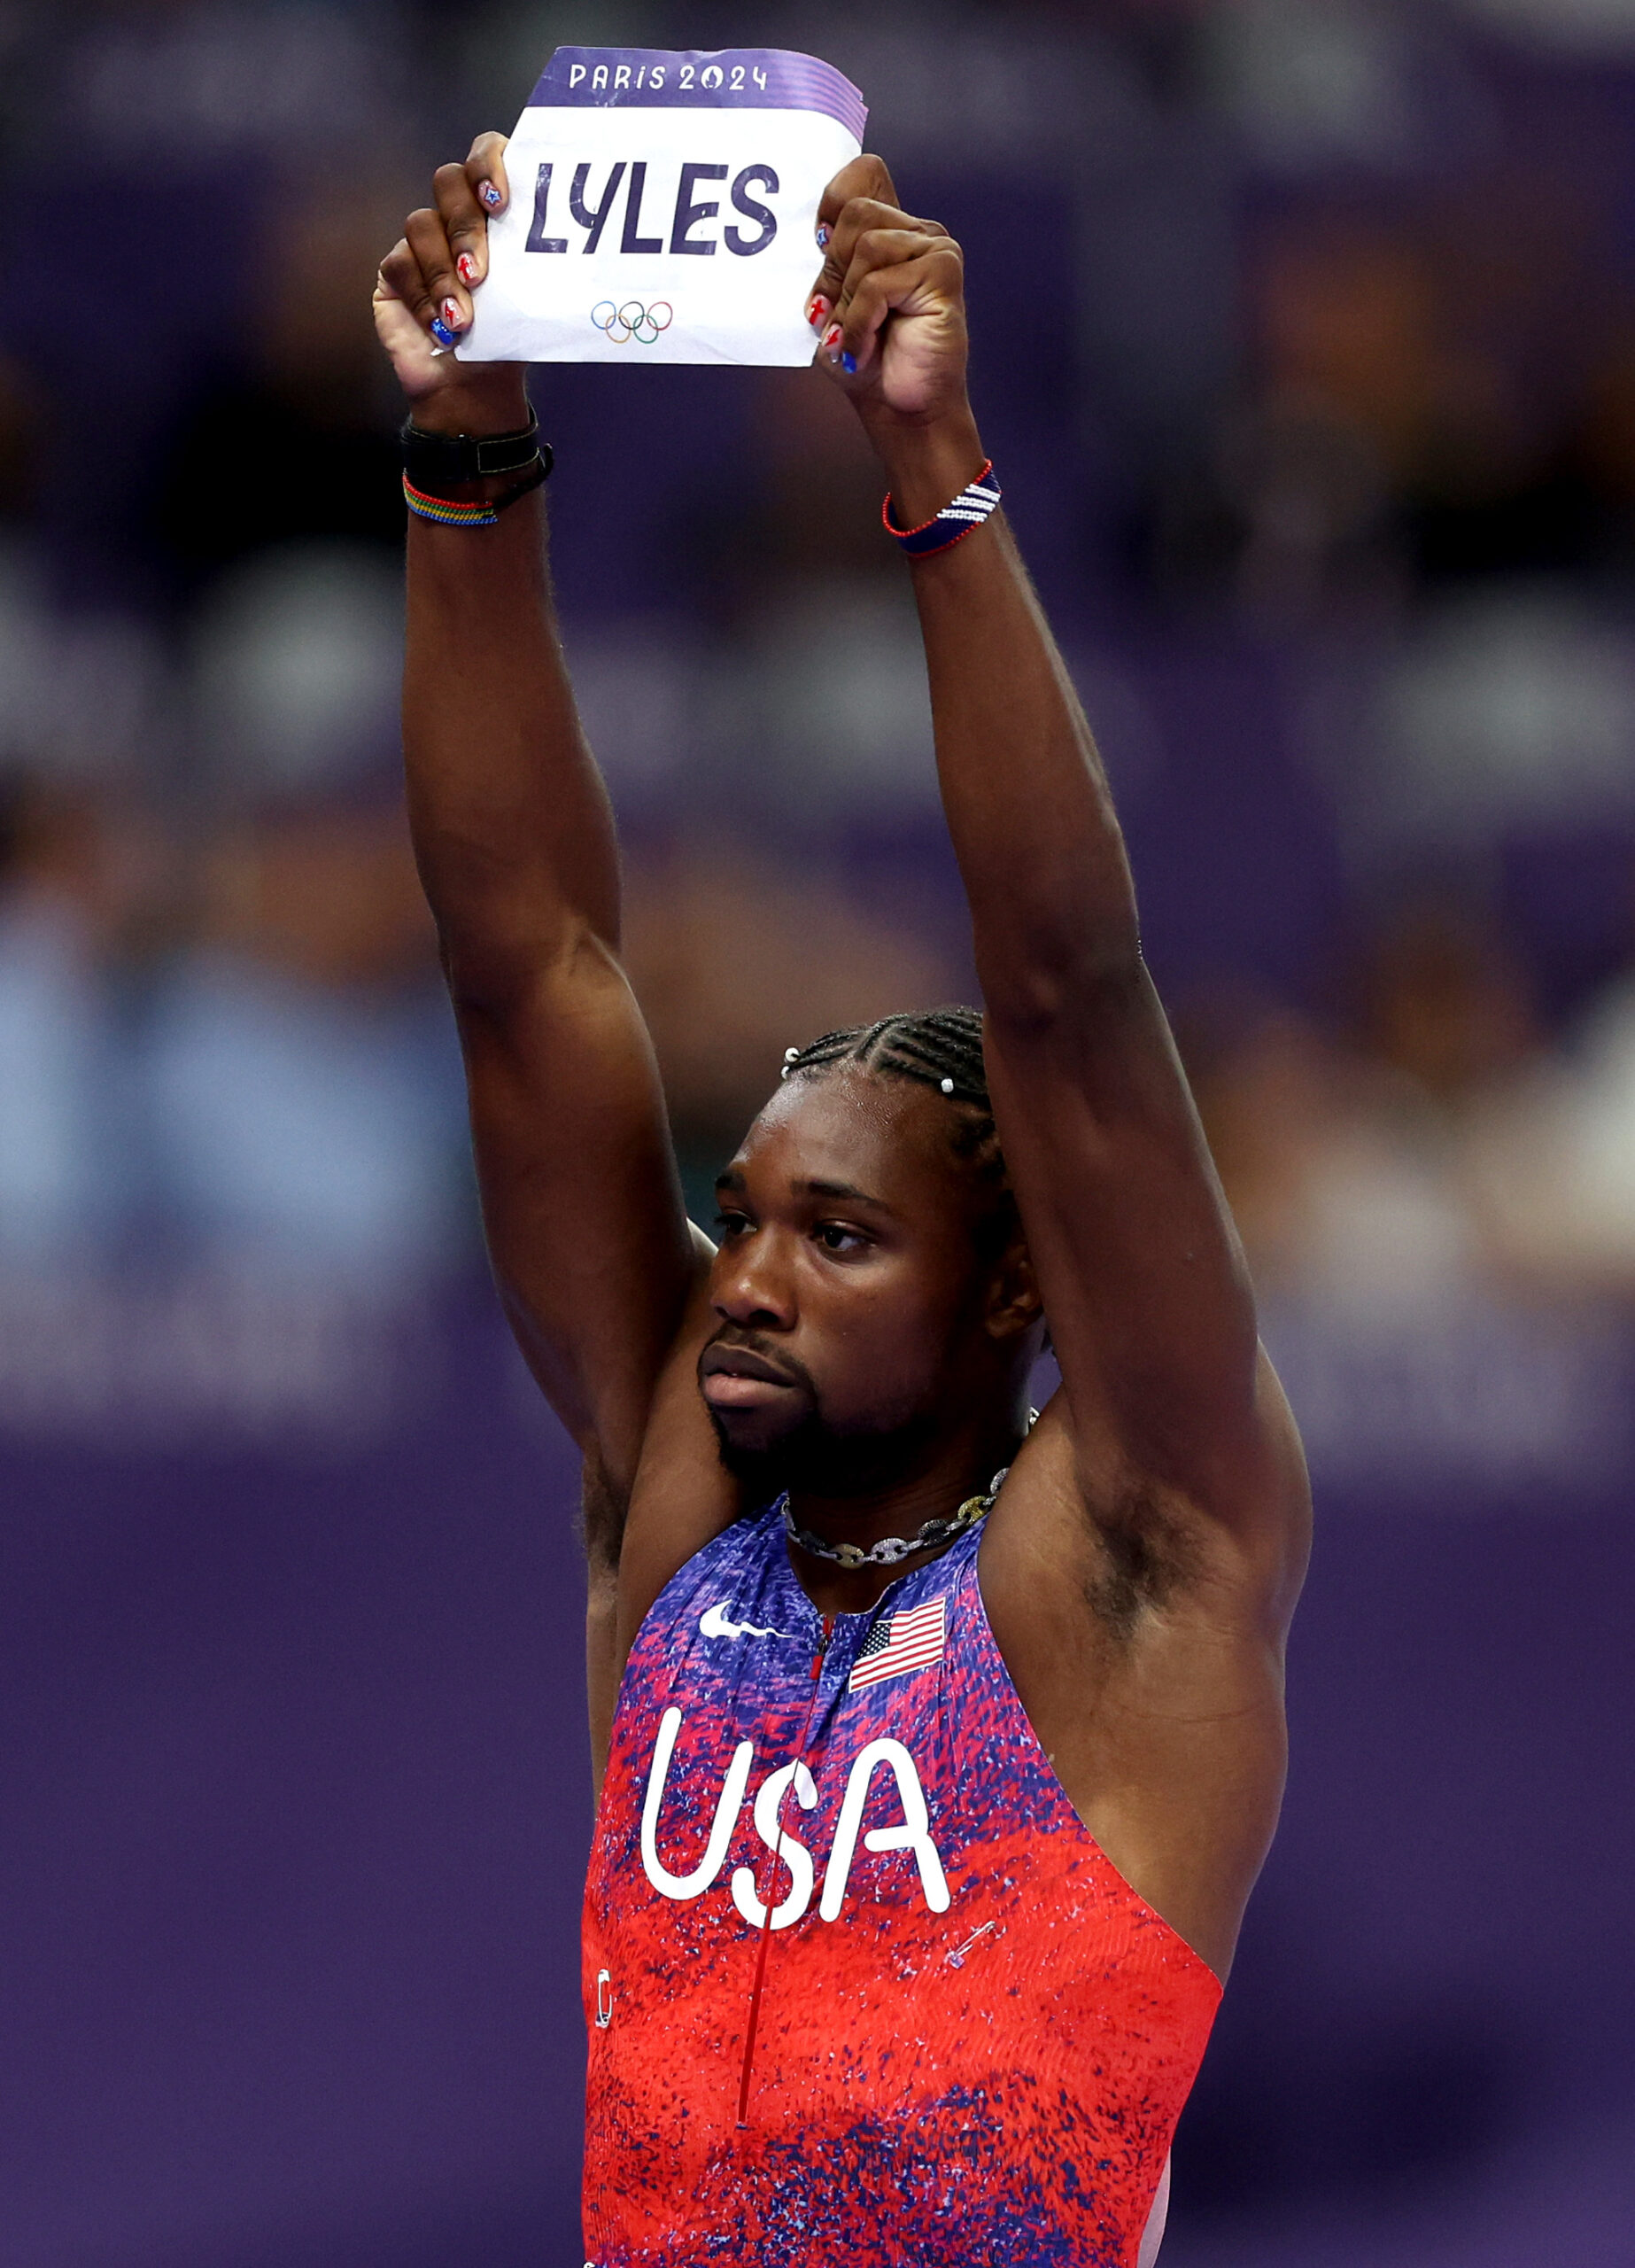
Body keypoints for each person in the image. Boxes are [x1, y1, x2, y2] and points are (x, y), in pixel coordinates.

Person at [375, 137, 1310, 2268]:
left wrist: (938, 477)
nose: (747, 1281)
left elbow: (1070, 995)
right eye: (745, 1212)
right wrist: (462, 448)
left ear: (1010, 1291)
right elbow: (526, 964)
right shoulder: (681, 1492)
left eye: (840, 1232)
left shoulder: (1139, 1555)